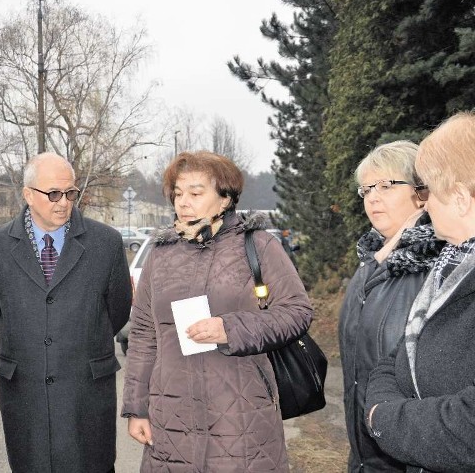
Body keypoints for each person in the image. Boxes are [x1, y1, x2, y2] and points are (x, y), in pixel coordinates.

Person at [121, 151, 313, 472]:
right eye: (178, 194)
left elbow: (296, 312)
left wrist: (230, 329)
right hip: (171, 419)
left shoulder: (259, 244)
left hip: (240, 414)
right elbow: (143, 334)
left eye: (196, 193)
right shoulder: (160, 254)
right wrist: (137, 408)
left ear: (225, 199)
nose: (183, 202)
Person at [0, 152, 132, 473]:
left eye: (69, 193)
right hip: (25, 396)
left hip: (86, 397)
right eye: (52, 194)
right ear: (27, 195)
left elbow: (117, 311)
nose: (62, 202)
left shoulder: (106, 243)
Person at [365, 113, 475, 472]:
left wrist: (383, 417)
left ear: (459, 198)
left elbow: (467, 430)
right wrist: (380, 406)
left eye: (427, 190)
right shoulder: (450, 265)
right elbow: (396, 357)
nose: (423, 203)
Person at [338, 141, 444, 472]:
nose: (372, 197)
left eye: (386, 185)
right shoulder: (370, 262)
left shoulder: (442, 264)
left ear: (422, 191)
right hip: (366, 455)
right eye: (367, 188)